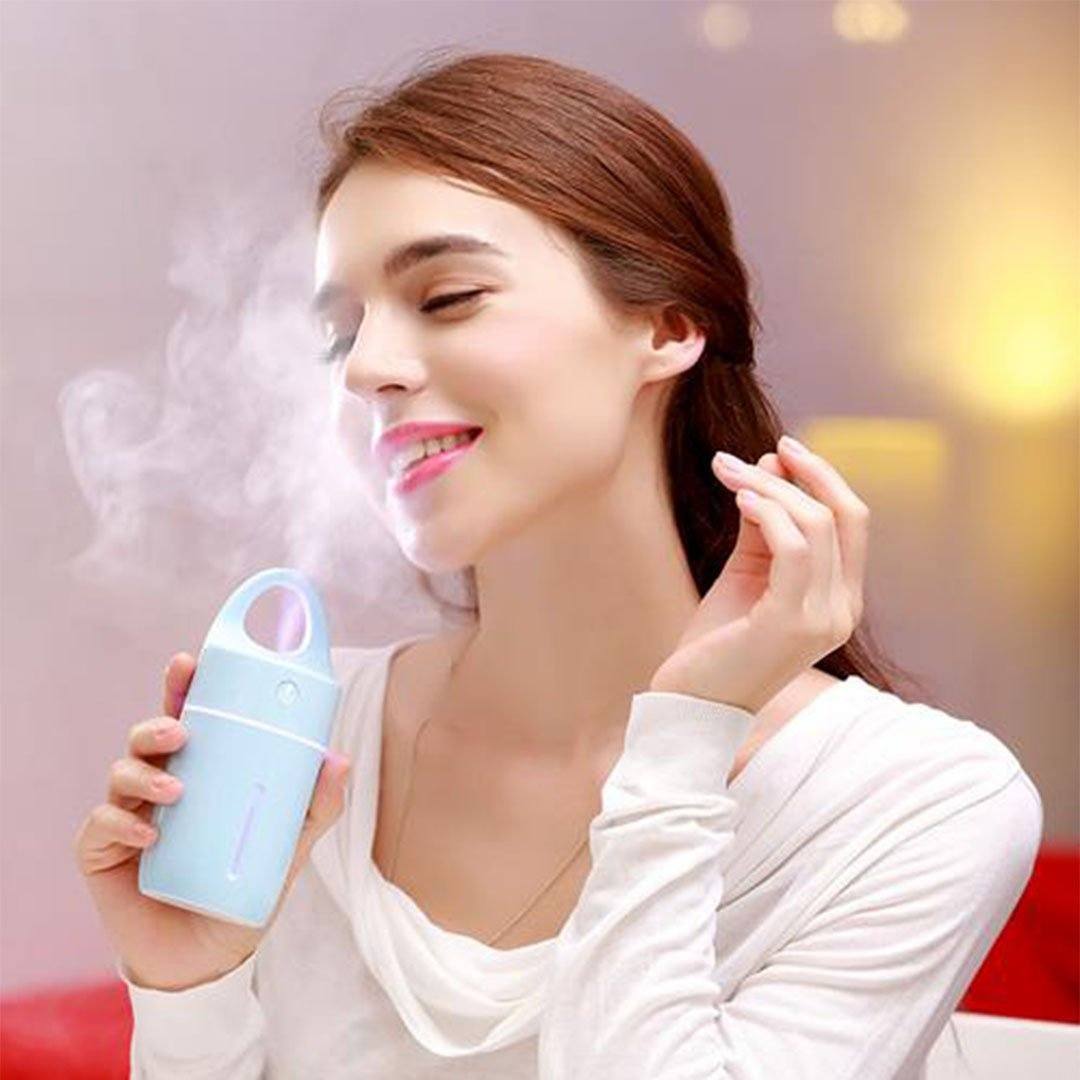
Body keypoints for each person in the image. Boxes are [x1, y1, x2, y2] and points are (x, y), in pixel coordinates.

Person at [75, 49, 1042, 1078]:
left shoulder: (916, 802)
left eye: (447, 297)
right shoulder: (306, 743)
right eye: (340, 336)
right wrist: (188, 989)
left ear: (668, 326)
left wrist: (685, 735)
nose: (366, 370)